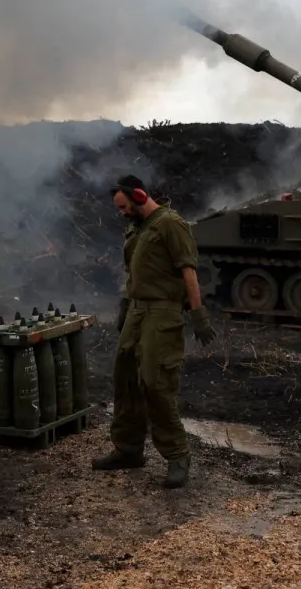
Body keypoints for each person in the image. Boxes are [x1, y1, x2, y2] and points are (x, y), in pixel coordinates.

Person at [92, 175, 216, 488]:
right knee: (126, 379)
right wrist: (125, 307)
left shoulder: (171, 224)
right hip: (136, 310)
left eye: (123, 206)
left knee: (155, 382)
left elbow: (189, 271)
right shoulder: (137, 226)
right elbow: (134, 270)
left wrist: (198, 314)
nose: (121, 212)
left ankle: (177, 455)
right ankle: (129, 449)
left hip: (162, 312)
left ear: (138, 195)